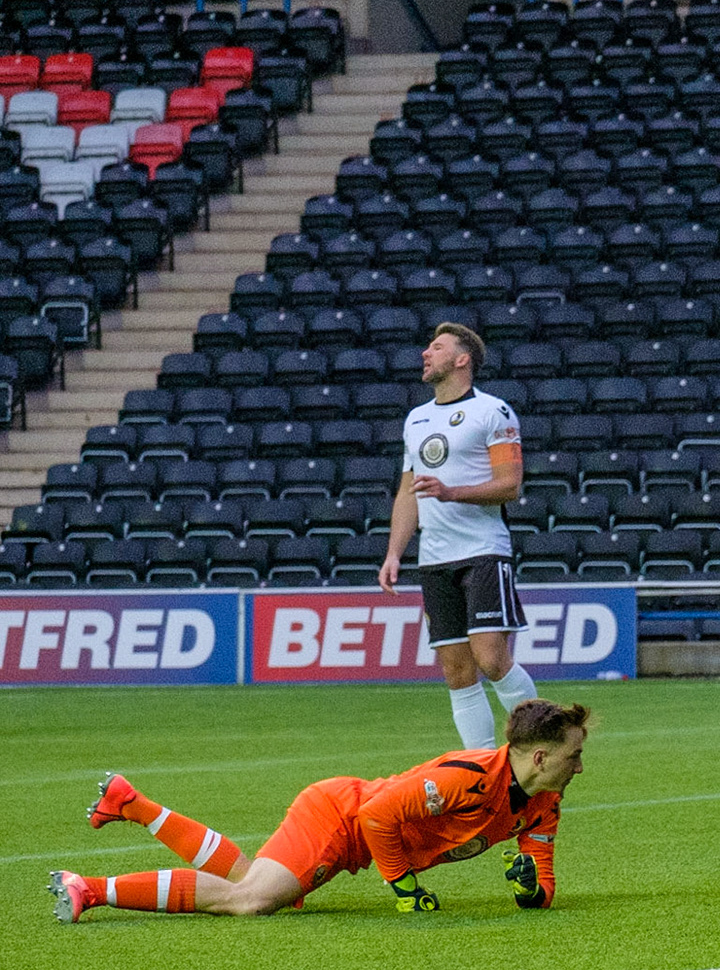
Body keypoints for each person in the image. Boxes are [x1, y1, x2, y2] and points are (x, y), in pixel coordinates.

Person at [48, 700, 591, 922]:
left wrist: (528, 891)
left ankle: (131, 803)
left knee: (246, 879)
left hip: (349, 833)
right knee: (251, 900)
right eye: (574, 756)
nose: (580, 767)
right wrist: (405, 890)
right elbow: (378, 816)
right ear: (541, 757)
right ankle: (90, 889)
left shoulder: (545, 802)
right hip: (338, 818)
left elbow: (543, 877)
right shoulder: (467, 779)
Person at [380, 321, 539, 750]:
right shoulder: (417, 419)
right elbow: (407, 493)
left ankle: (547, 739)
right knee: (456, 669)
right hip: (434, 558)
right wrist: (395, 552)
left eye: (437, 347)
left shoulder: (494, 412)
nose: (425, 354)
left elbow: (510, 485)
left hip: (484, 551)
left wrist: (452, 493)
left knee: (490, 657)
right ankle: (483, 770)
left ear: (461, 359)